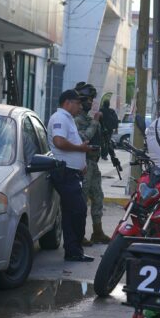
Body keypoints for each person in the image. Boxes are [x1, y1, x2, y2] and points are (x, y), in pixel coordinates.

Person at [47, 90, 94, 262]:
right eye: (78, 103)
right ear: (67, 103)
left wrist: (80, 163)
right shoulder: (60, 118)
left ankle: (73, 251)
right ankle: (74, 250)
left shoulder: (68, 119)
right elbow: (59, 142)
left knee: (70, 212)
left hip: (71, 171)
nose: (81, 107)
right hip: (64, 172)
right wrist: (81, 149)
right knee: (78, 211)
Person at [73, 82, 111, 245]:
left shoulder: (88, 118)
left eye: (91, 100)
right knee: (81, 201)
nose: (91, 103)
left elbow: (98, 137)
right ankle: (78, 234)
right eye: (88, 100)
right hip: (83, 163)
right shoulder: (75, 120)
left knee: (98, 197)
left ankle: (98, 231)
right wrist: (95, 122)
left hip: (93, 163)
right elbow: (83, 138)